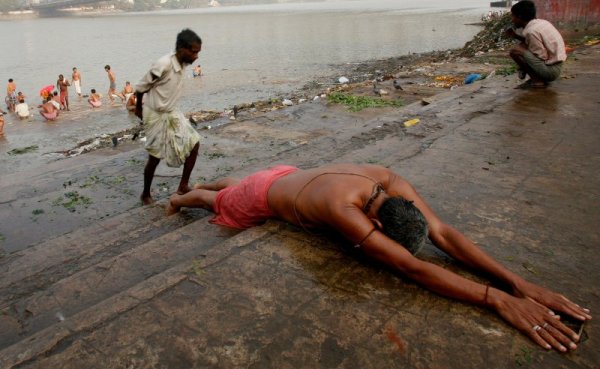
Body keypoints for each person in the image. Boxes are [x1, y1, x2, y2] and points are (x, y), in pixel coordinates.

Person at [167, 163, 592, 352]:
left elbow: (442, 233)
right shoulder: (343, 211)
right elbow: (412, 267)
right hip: (264, 194)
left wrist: (516, 282)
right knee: (217, 200)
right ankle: (180, 197)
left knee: (242, 182)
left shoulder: (384, 180)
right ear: (382, 228)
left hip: (285, 173)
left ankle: (218, 183)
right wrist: (495, 299)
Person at [135, 28, 202, 205]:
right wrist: (138, 108)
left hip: (171, 111)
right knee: (155, 156)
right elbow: (141, 87)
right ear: (181, 49)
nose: (196, 56)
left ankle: (183, 185)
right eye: (193, 51)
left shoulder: (183, 64)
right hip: (155, 113)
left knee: (194, 142)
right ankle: (145, 194)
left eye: (198, 52)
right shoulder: (163, 64)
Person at [505, 0, 566, 89]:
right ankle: (536, 77)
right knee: (522, 46)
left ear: (520, 16)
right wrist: (515, 36)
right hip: (557, 66)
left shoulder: (531, 31)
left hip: (551, 71)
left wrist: (522, 67)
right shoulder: (541, 23)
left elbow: (541, 56)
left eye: (513, 16)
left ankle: (537, 80)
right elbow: (533, 41)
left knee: (515, 51)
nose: (512, 20)